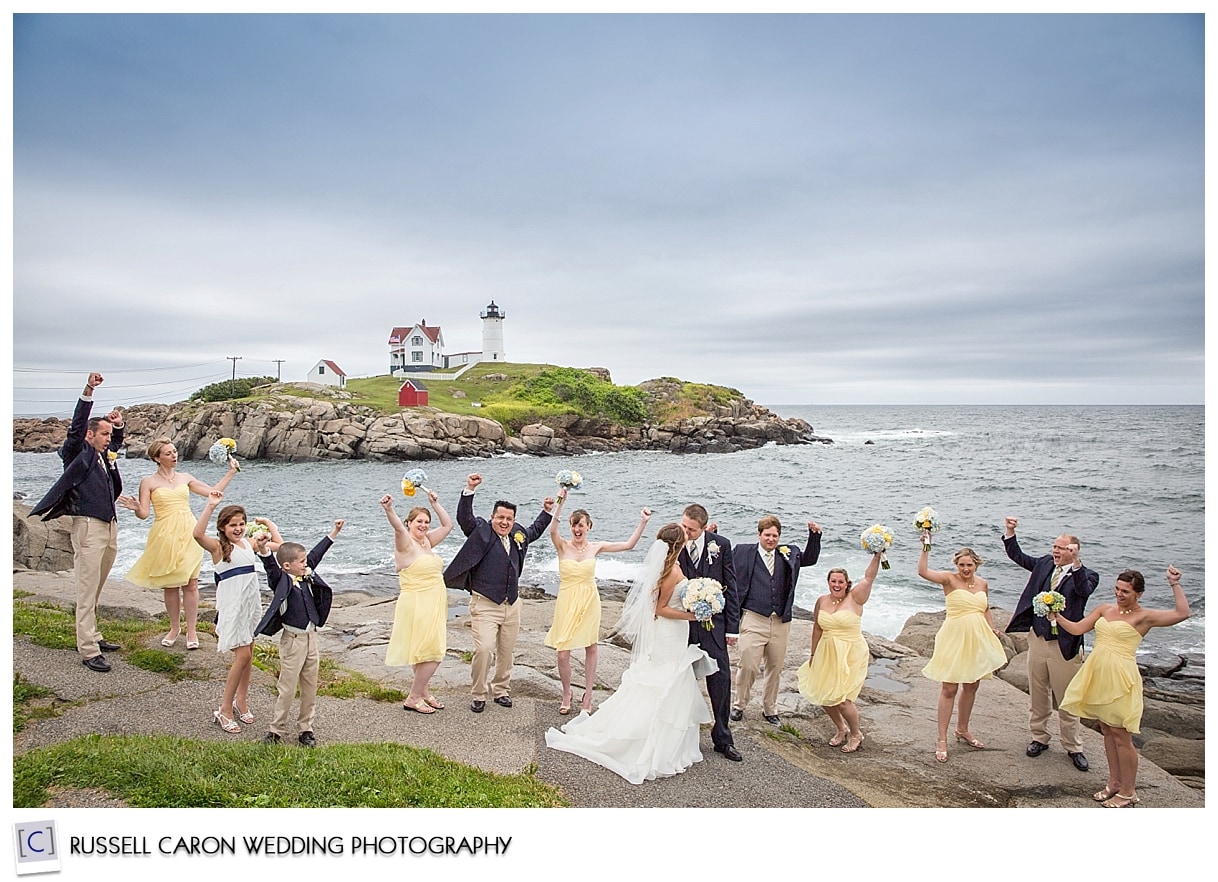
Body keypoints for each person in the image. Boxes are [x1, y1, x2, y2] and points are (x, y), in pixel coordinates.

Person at [544, 523, 719, 784]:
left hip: (674, 634)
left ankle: (670, 740)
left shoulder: (672, 567)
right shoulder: (671, 571)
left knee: (668, 680)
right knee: (666, 680)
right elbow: (659, 609)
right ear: (679, 544)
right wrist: (692, 615)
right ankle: (649, 739)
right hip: (670, 633)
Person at [1053, 567, 1191, 807]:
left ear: (1138, 594)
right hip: (1098, 673)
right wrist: (1056, 616)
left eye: (1125, 591)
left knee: (1121, 736)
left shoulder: (1144, 617)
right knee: (1106, 729)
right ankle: (1115, 782)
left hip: (1120, 677)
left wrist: (1174, 584)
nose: (1119, 594)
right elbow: (1077, 629)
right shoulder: (1105, 609)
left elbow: (1182, 613)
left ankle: (1128, 791)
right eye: (1117, 588)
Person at [30, 372, 126, 673]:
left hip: (108, 524)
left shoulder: (102, 456)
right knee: (86, 587)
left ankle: (93, 634)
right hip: (88, 525)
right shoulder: (78, 453)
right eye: (104, 434)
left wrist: (118, 427)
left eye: (109, 435)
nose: (108, 438)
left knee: (97, 583)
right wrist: (88, 391)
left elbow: (115, 448)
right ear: (90, 435)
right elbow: (74, 429)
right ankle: (88, 649)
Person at [443, 473, 555, 713]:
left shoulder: (518, 534)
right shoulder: (481, 530)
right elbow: (465, 518)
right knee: (483, 650)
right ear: (493, 517)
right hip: (485, 604)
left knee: (506, 652)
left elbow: (534, 531)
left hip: (512, 604)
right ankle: (478, 693)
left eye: (509, 518)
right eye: (500, 517)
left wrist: (547, 512)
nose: (504, 522)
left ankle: (501, 690)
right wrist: (470, 489)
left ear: (514, 520)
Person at [119, 438, 239, 649]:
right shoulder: (148, 482)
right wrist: (136, 508)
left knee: (191, 583)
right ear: (157, 458)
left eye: (174, 451)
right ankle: (175, 628)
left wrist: (230, 472)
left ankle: (192, 631)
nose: (174, 455)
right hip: (164, 535)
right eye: (168, 453)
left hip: (189, 532)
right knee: (171, 585)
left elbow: (213, 493)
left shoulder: (185, 477)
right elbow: (145, 514)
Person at [1003, 517, 1099, 771]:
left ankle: (1073, 746)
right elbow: (1019, 557)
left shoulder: (1087, 574)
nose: (1055, 551)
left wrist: (1076, 563)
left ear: (1073, 552)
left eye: (1061, 548)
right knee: (1038, 691)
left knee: (1067, 697)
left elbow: (1083, 591)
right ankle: (1039, 737)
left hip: (1064, 644)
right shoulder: (1045, 564)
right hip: (1038, 638)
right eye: (1054, 547)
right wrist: (1010, 532)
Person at [546, 492, 651, 714]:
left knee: (591, 647)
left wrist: (642, 522)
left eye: (581, 525)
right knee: (562, 653)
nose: (577, 529)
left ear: (589, 527)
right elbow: (552, 530)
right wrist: (560, 503)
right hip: (566, 600)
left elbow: (628, 546)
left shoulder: (596, 547)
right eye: (574, 525)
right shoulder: (562, 545)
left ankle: (588, 695)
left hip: (589, 601)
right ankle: (567, 692)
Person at [253, 518, 345, 746]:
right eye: (301, 562)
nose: (306, 564)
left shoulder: (306, 573)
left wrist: (334, 532)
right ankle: (276, 730)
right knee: (286, 687)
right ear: (288, 566)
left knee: (309, 686)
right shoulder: (281, 580)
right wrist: (264, 548)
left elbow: (317, 554)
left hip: (311, 638)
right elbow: (270, 566)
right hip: (292, 641)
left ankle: (306, 728)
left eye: (305, 561)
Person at [192, 491, 275, 734]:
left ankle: (242, 700)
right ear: (223, 527)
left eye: (241, 524)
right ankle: (225, 709)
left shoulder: (248, 544)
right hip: (233, 607)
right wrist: (210, 505)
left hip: (250, 605)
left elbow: (279, 546)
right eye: (232, 525)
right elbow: (197, 534)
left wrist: (268, 528)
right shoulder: (219, 548)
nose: (237, 529)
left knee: (249, 653)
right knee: (243, 657)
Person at [918, 540, 1008, 763]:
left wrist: (991, 628)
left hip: (977, 638)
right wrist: (926, 546)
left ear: (976, 564)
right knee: (949, 688)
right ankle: (941, 739)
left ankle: (963, 729)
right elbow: (923, 571)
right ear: (956, 565)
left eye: (969, 565)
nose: (965, 569)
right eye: (962, 565)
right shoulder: (949, 579)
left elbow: (985, 608)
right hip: (954, 637)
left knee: (972, 685)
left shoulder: (983, 583)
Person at [731, 515, 822, 725]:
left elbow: (810, 559)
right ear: (759, 534)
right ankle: (739, 705)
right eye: (767, 535)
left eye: (775, 536)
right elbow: (724, 562)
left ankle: (770, 709)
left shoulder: (788, 554)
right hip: (754, 617)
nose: (771, 539)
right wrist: (712, 536)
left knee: (775, 666)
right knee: (748, 664)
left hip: (781, 621)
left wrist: (814, 536)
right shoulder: (743, 552)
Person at [796, 551, 882, 753]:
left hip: (851, 652)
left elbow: (869, 577)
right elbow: (817, 627)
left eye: (840, 582)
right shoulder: (821, 601)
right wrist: (813, 654)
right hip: (827, 651)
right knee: (824, 695)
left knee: (843, 700)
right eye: (833, 581)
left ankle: (855, 733)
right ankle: (840, 728)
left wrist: (877, 554)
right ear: (828, 582)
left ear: (847, 583)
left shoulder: (856, 598)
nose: (836, 585)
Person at [381, 490, 454, 714]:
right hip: (417, 603)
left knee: (422, 650)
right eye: (418, 522)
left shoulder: (427, 542)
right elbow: (397, 528)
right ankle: (413, 697)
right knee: (434, 652)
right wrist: (389, 509)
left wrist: (435, 503)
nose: (423, 525)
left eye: (426, 522)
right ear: (409, 523)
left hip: (433, 602)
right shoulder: (406, 544)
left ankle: (423, 692)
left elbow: (448, 525)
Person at [679, 503, 742, 761]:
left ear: (704, 528)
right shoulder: (674, 542)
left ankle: (723, 738)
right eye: (683, 526)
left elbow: (731, 585)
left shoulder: (721, 545)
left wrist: (733, 629)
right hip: (681, 626)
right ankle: (681, 735)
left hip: (713, 627)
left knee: (720, 680)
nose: (686, 532)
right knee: (680, 681)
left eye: (691, 529)